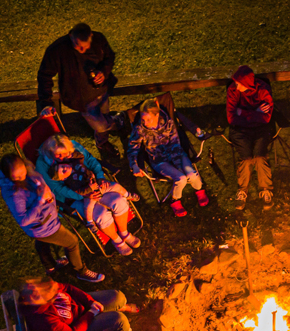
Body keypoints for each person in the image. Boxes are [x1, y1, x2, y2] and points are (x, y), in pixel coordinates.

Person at [0, 154, 103, 283]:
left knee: (42, 242)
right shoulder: (14, 193)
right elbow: (23, 220)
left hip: (46, 219)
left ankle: (50, 266)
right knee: (72, 242)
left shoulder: (28, 169)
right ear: (8, 176)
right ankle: (81, 271)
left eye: (23, 172)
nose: (22, 177)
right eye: (17, 177)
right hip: (43, 226)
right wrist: (40, 201)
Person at [36, 135, 141, 255]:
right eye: (58, 155)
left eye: (65, 153)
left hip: (92, 184)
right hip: (73, 196)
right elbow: (58, 189)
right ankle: (117, 241)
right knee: (101, 215)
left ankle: (124, 233)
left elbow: (91, 161)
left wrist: (100, 178)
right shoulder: (43, 164)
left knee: (119, 201)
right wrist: (85, 195)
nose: (62, 157)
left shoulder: (73, 146)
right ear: (49, 152)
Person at [36, 23, 123, 158]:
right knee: (101, 125)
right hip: (81, 98)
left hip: (102, 91)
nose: (82, 50)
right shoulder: (57, 50)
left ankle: (102, 142)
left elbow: (109, 57)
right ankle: (120, 121)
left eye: (85, 46)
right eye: (78, 46)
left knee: (104, 116)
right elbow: (44, 75)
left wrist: (103, 72)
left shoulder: (98, 40)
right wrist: (46, 102)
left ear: (91, 36)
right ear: (71, 36)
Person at [128, 97, 208, 217]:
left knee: (192, 175)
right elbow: (132, 148)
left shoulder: (168, 122)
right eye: (143, 120)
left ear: (157, 115)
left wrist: (177, 164)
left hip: (177, 153)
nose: (145, 123)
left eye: (148, 119)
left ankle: (199, 190)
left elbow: (175, 143)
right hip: (159, 160)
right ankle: (175, 200)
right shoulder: (140, 129)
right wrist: (134, 165)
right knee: (181, 179)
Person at [18, 276, 132, 331]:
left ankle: (117, 307)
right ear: (44, 300)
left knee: (118, 297)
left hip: (82, 307)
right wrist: (91, 313)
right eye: (52, 294)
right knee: (119, 319)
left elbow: (67, 288)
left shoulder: (44, 287)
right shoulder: (45, 320)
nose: (56, 289)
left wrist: (90, 302)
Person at [226, 65, 275, 211]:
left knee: (259, 157)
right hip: (240, 130)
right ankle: (242, 191)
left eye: (239, 83)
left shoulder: (263, 90)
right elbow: (231, 118)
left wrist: (243, 113)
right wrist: (256, 113)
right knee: (247, 159)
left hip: (261, 129)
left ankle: (266, 190)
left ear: (247, 83)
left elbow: (266, 118)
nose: (236, 85)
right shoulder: (233, 90)